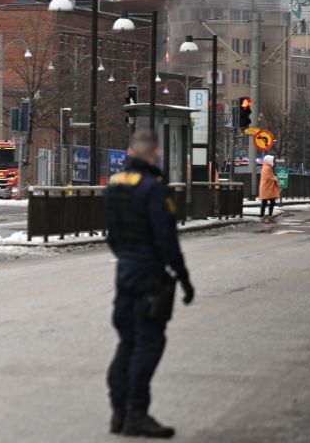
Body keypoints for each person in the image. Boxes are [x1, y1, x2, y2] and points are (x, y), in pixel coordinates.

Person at [104, 130, 194, 438]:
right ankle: (137, 413)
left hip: (125, 271)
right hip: (149, 274)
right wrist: (183, 278)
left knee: (127, 341)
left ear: (130, 152)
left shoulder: (115, 185)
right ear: (155, 153)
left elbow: (112, 234)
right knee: (149, 342)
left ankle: (119, 410)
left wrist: (126, 258)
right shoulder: (154, 188)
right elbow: (166, 239)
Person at [258, 155, 281, 223]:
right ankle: (265, 216)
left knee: (267, 202)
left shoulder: (267, 167)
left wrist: (273, 178)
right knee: (266, 202)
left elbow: (269, 177)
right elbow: (268, 177)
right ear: (269, 160)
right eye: (272, 160)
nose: (273, 161)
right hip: (266, 188)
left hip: (268, 187)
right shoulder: (266, 167)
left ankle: (265, 216)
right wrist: (275, 179)